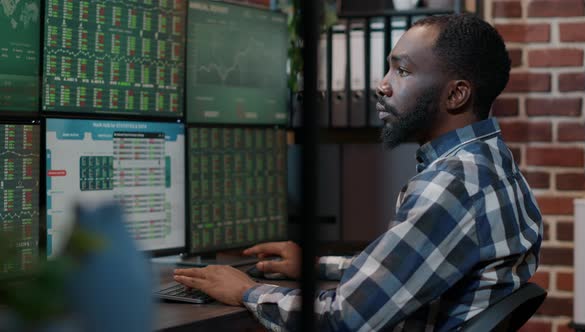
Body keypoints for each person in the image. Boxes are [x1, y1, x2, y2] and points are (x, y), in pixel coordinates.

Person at [173, 13, 543, 331]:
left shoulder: (450, 185)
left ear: (456, 95)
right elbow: (411, 261)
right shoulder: (490, 160)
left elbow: (345, 319)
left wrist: (246, 291)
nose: (382, 85)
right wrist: (319, 265)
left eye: (402, 71)